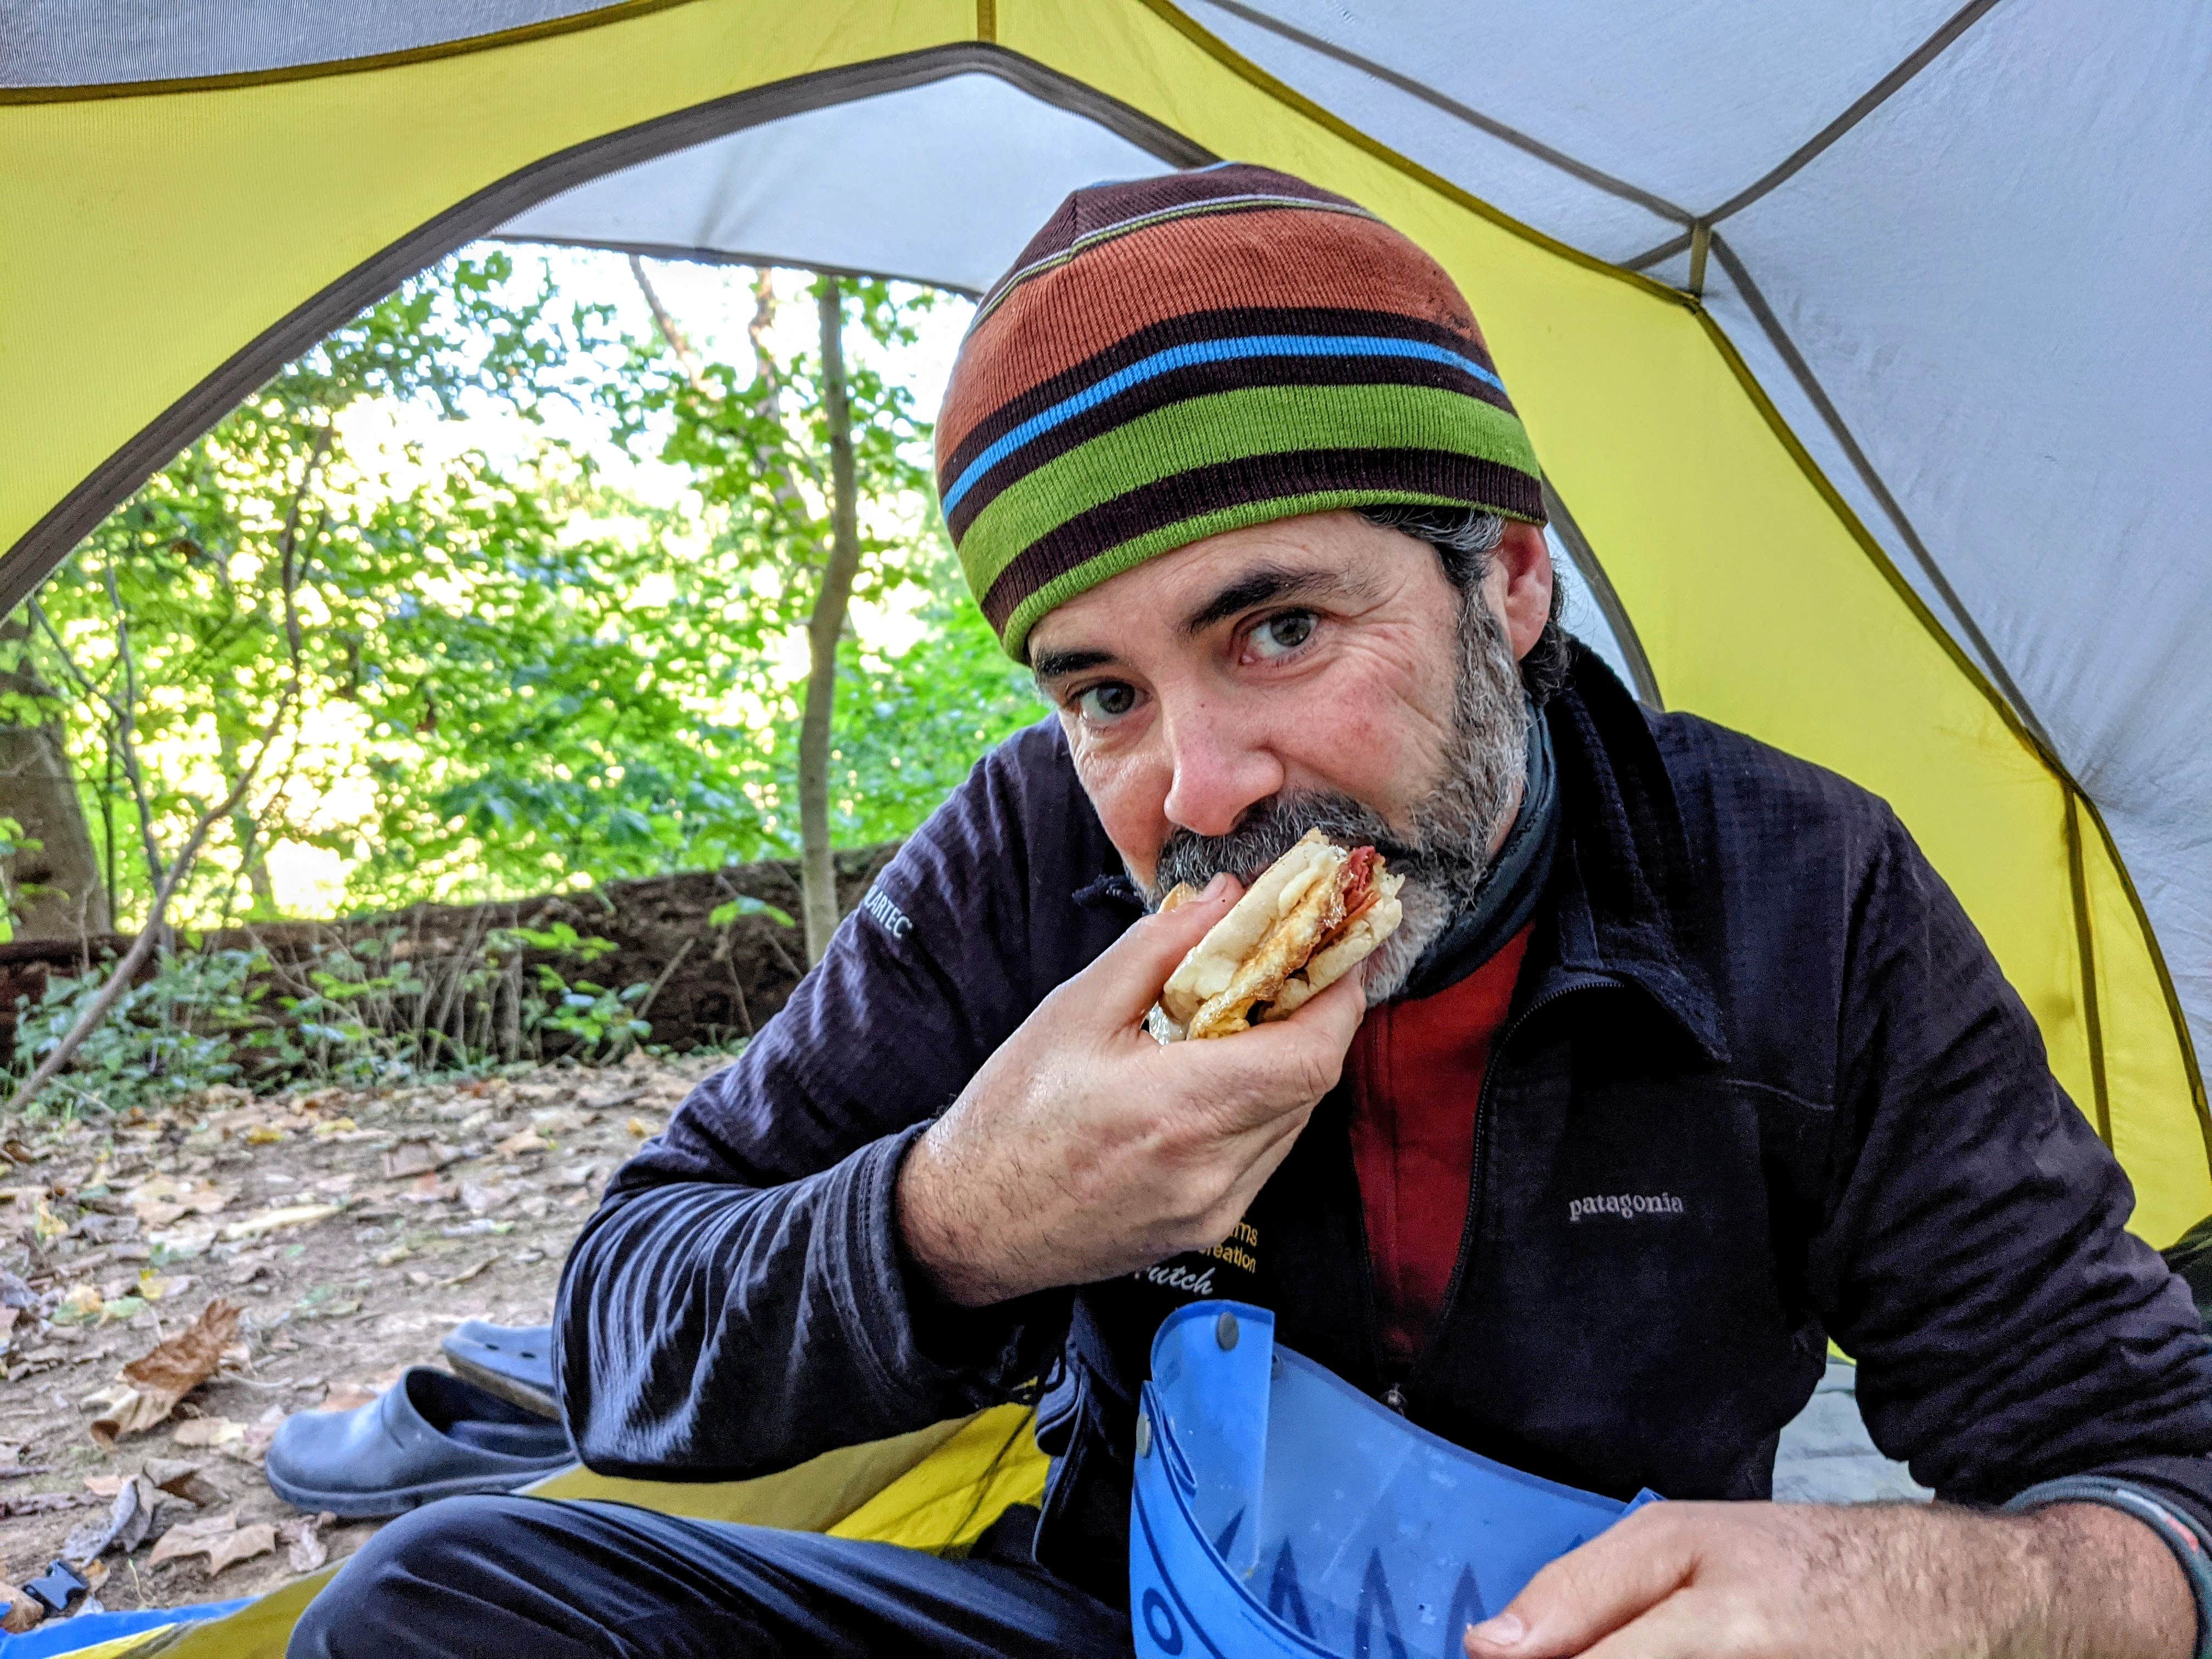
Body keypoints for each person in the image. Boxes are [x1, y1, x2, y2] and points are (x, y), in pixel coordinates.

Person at [291, 163, 2212, 1659]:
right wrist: (959, 1218)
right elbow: (627, 1318)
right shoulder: (1025, 860)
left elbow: (2162, 1478)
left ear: (1508, 584)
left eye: (1278, 628)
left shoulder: (1798, 893)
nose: (1199, 793)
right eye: (1103, 691)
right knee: (439, 1603)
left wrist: (1919, 1589)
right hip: (1115, 1615)